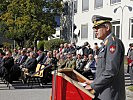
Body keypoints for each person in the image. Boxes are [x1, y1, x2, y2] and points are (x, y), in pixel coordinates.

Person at [85, 15, 125, 100]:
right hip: (103, 91)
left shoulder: (113, 43)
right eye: (94, 28)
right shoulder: (105, 44)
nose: (95, 30)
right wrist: (94, 82)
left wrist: (93, 85)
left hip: (110, 94)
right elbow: (102, 70)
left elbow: (111, 71)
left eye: (98, 27)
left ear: (107, 28)